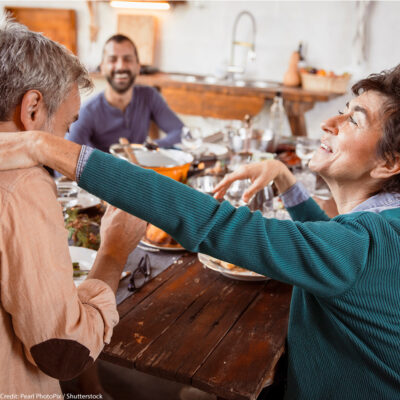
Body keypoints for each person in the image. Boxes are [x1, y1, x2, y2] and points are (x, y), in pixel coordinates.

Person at [1, 64, 400, 399]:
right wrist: (284, 180)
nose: (329, 123)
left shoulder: (362, 246)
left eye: (353, 118)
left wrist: (46, 146)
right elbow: (328, 246)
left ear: (389, 163)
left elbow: (218, 223)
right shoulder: (378, 234)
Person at [0, 15, 146, 395]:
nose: (66, 142)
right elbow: (64, 352)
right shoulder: (24, 183)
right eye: (66, 127)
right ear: (32, 109)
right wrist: (114, 251)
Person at [65, 34, 184, 152]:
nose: (121, 66)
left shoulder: (149, 96)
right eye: (112, 60)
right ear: (102, 68)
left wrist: (146, 149)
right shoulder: (87, 112)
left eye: (128, 59)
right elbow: (66, 155)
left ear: (138, 67)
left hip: (141, 169)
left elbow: (181, 133)